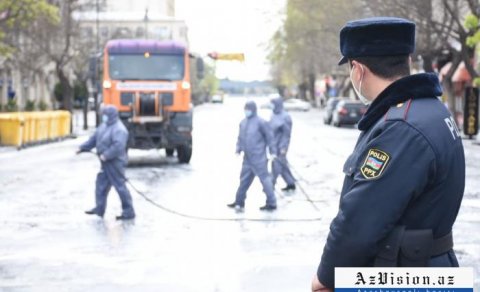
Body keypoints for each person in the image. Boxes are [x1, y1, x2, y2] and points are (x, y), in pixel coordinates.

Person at [312, 17, 465, 291]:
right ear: (407, 58)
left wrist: (326, 278)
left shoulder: (400, 127)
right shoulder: (432, 110)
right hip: (432, 268)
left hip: (405, 275)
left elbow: (360, 222)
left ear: (357, 69)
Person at [77, 105, 136, 220]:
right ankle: (99, 208)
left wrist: (106, 155)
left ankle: (128, 211)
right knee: (101, 185)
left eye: (105, 114)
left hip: (115, 163)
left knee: (120, 186)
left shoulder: (119, 129)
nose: (103, 116)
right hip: (105, 163)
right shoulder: (103, 126)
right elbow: (94, 139)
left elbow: (118, 146)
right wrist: (82, 148)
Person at [228, 101, 278, 211]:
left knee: (265, 180)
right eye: (245, 108)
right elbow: (240, 138)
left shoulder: (261, 122)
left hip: (259, 158)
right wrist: (238, 149)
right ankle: (239, 201)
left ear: (253, 109)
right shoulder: (243, 123)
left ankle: (272, 202)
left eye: (248, 109)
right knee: (243, 181)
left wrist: (273, 152)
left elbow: (270, 138)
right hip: (247, 159)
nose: (246, 111)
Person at [269, 97, 296, 191]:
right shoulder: (273, 115)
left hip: (280, 147)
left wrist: (284, 147)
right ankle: (291, 183)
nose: (271, 105)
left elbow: (286, 134)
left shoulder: (285, 117)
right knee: (282, 165)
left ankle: (270, 184)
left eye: (272, 103)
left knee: (276, 166)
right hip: (273, 146)